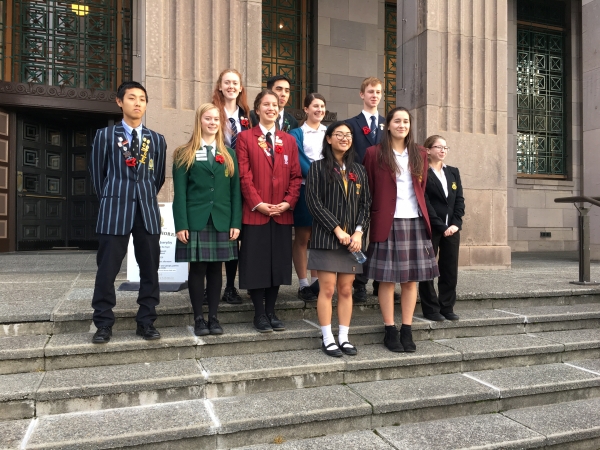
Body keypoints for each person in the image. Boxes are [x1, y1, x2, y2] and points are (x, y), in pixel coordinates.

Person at [89, 81, 166, 344]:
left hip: (146, 210)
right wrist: (113, 196)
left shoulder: (156, 139)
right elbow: (98, 176)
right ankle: (103, 322)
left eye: (142, 99)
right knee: (107, 270)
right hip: (114, 209)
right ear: (119, 102)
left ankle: (146, 321)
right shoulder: (104, 136)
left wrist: (141, 194)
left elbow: (157, 178)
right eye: (131, 98)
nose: (137, 103)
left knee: (150, 270)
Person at [362, 106, 439, 353]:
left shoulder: (420, 153)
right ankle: (389, 329)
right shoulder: (374, 153)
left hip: (414, 220)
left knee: (410, 280)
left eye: (406, 121)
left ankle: (407, 328)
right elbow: (369, 189)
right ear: (389, 125)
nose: (402, 125)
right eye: (397, 121)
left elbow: (422, 185)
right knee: (385, 279)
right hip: (387, 221)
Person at [172, 103, 242, 336]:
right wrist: (181, 224)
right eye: (207, 119)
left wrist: (236, 223)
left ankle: (214, 317)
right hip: (196, 220)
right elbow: (179, 193)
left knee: (216, 270)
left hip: (222, 220)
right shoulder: (184, 154)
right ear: (199, 121)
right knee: (197, 270)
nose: (212, 123)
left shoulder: (229, 155)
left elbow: (235, 193)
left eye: (216, 119)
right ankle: (198, 318)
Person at [236, 89, 302, 332]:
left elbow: (296, 176)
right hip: (256, 212)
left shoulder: (289, 140)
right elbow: (244, 176)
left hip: (282, 213)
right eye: (266, 104)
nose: (271, 108)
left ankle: (272, 311)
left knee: (277, 264)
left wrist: (287, 202)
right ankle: (259, 313)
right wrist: (258, 204)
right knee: (257, 264)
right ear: (257, 109)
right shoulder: (245, 138)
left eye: (274, 104)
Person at [306, 122, 371, 357]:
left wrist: (358, 232)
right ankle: (327, 337)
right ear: (329, 139)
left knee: (346, 289)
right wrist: (337, 229)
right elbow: (314, 202)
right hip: (326, 238)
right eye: (339, 135)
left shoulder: (359, 170)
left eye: (348, 135)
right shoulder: (318, 167)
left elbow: (365, 204)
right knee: (328, 289)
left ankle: (343, 336)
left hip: (352, 242)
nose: (344, 138)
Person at [344, 77, 391, 303]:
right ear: (362, 94)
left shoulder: (388, 124)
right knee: (358, 235)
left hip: (382, 188)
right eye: (370, 91)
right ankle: (359, 282)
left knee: (381, 238)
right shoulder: (351, 125)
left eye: (378, 92)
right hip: (357, 187)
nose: (375, 95)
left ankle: (380, 281)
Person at [211, 68, 252, 305]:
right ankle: (213, 286)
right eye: (227, 82)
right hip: (220, 178)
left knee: (237, 234)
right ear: (220, 86)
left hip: (243, 178)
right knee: (219, 233)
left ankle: (230, 287)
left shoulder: (247, 115)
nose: (231, 86)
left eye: (235, 83)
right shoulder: (212, 112)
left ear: (240, 88)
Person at [418, 135, 465, 321]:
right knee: (428, 269)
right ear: (428, 150)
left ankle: (447, 306)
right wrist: (440, 225)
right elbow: (425, 201)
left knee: (449, 268)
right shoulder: (422, 172)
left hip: (452, 229)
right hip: (431, 227)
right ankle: (431, 309)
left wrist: (456, 223)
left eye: (445, 147)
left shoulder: (453, 172)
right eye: (438, 147)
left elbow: (459, 200)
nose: (443, 150)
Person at [289, 93, 328, 301]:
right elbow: (298, 159)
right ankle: (303, 283)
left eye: (322, 106)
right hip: (306, 189)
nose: (319, 110)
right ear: (306, 109)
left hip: (327, 191)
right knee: (303, 237)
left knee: (319, 238)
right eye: (315, 106)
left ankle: (316, 282)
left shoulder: (330, 132)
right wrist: (319, 175)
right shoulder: (296, 133)